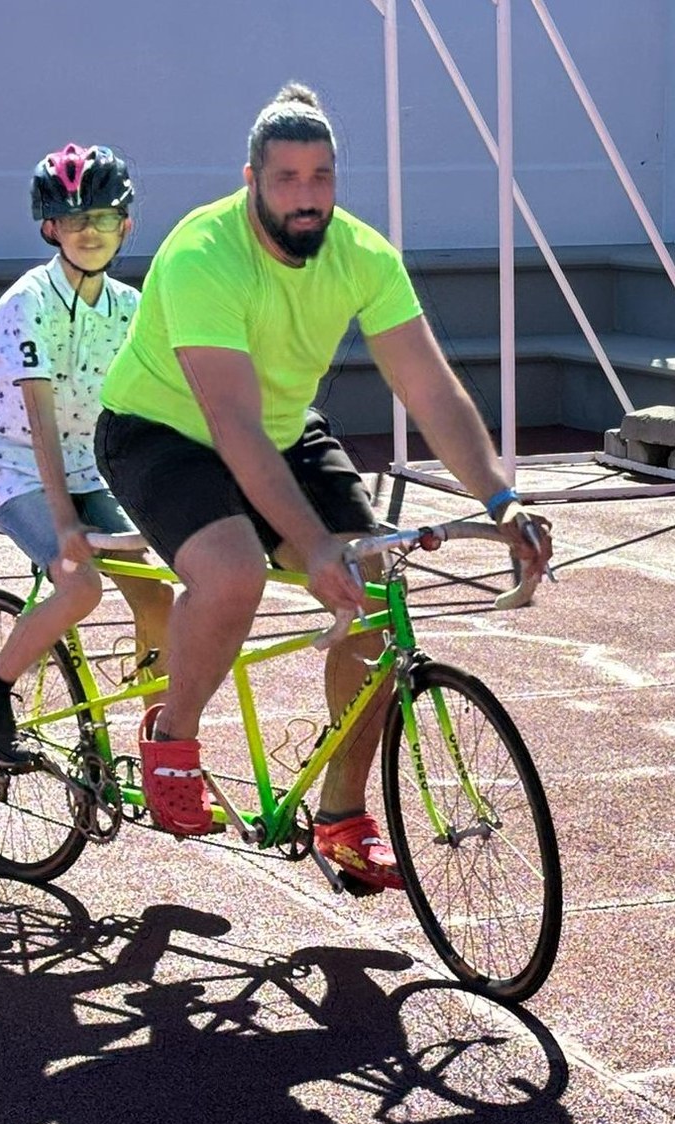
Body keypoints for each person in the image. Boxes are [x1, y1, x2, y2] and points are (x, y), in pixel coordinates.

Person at [94, 84, 553, 889]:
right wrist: (309, 547)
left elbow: (431, 390)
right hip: (162, 431)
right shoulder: (204, 253)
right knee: (232, 573)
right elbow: (230, 424)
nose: (307, 197)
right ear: (252, 180)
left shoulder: (363, 256)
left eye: (322, 177)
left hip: (280, 431)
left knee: (369, 585)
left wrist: (500, 500)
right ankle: (171, 738)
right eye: (287, 179)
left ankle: (342, 818)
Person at [0, 143, 172, 770]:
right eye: (74, 220)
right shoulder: (30, 301)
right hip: (10, 460)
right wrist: (66, 522)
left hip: (86, 461)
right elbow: (40, 421)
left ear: (125, 224)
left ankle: (163, 755)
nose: (89, 231)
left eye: (102, 217)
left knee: (159, 596)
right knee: (80, 585)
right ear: (51, 228)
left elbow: (160, 407)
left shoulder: (129, 308)